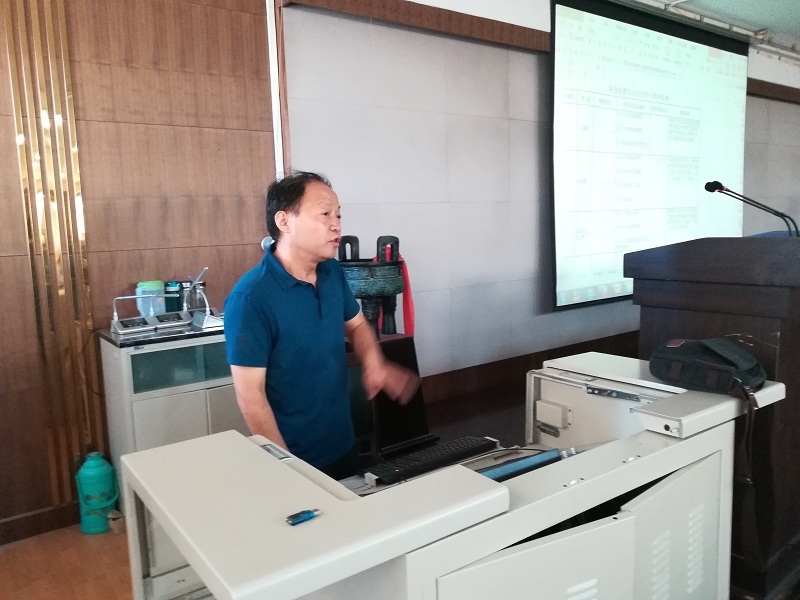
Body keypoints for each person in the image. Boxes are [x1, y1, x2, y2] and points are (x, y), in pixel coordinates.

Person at [224, 171, 419, 480]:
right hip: (296, 457)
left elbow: (357, 326)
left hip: (343, 443)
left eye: (338, 215)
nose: (336, 225)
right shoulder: (251, 298)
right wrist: (288, 468)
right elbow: (251, 397)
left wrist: (374, 363)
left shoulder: (331, 272)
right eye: (325, 214)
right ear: (284, 221)